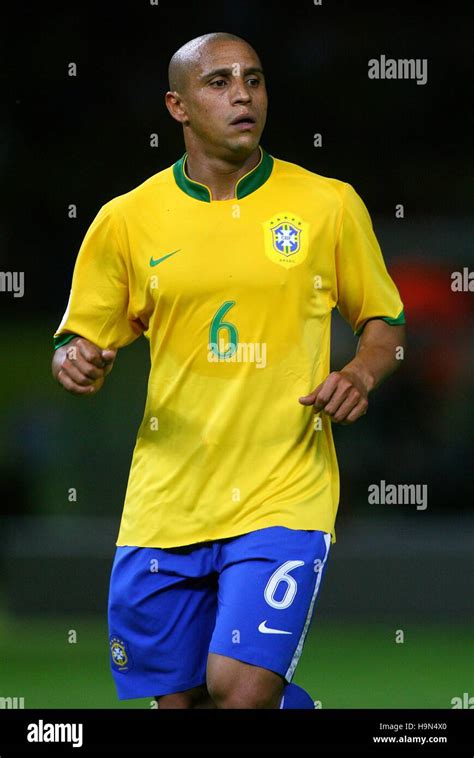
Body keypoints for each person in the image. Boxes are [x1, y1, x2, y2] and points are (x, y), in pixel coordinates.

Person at [51, 32, 406, 709]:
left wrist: (360, 373)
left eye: (254, 79)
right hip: (165, 502)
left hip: (282, 491)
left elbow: (385, 322)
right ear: (177, 106)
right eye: (218, 82)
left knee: (238, 693)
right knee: (183, 705)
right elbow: (79, 337)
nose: (242, 94)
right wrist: (75, 360)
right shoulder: (126, 220)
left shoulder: (327, 204)